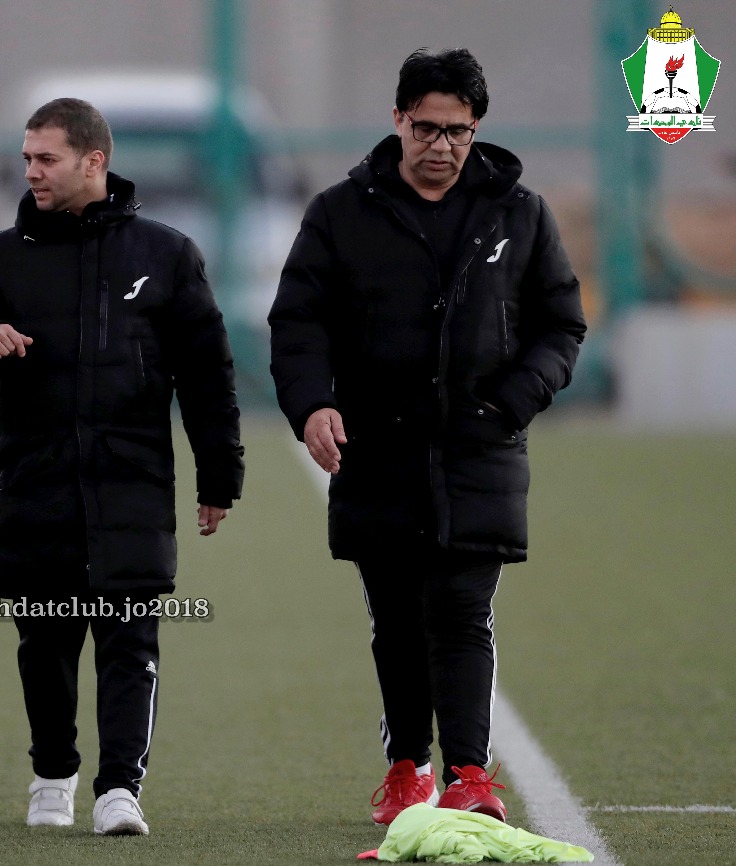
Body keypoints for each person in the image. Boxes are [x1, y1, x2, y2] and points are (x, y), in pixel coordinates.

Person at [267, 48, 585, 826]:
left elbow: (560, 325)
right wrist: (312, 405)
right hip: (377, 448)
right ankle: (408, 769)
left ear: (476, 129)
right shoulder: (341, 212)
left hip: (481, 447)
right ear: (398, 120)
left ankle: (470, 775)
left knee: (463, 610)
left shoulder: (519, 212)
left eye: (458, 131)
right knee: (398, 617)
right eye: (427, 128)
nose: (442, 145)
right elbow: (298, 322)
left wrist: (514, 401)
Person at [0, 98, 243, 836]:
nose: (32, 172)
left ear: (93, 161)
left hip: (132, 483)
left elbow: (207, 376)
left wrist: (219, 475)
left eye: (47, 158)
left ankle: (119, 790)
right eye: (27, 158)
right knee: (44, 642)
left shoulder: (166, 255)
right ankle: (52, 774)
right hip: (35, 483)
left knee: (129, 640)